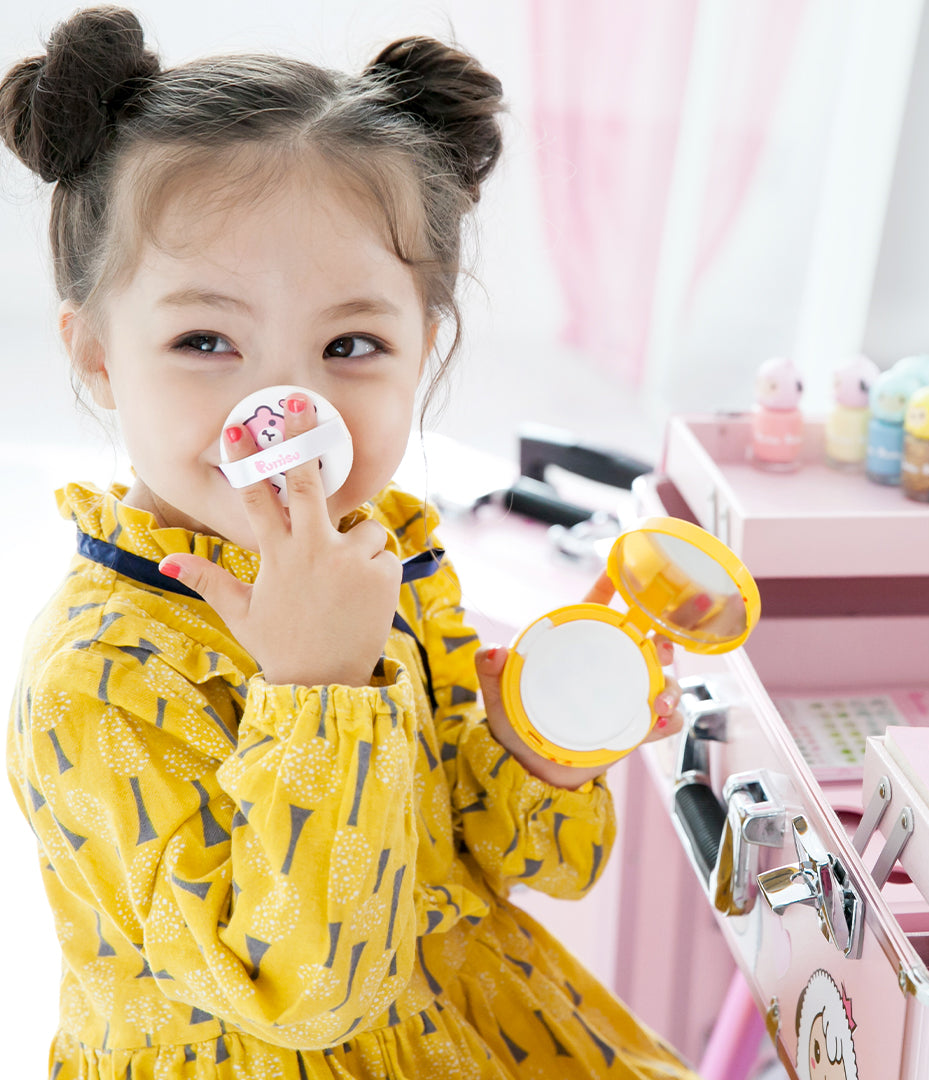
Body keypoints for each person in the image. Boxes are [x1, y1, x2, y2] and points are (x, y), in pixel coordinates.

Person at [2, 7, 698, 1078]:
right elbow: (299, 996)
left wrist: (536, 752)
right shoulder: (98, 677)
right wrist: (318, 690)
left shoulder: (392, 558)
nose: (283, 404)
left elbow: (507, 864)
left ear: (426, 348)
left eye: (352, 343)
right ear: (96, 355)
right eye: (205, 341)